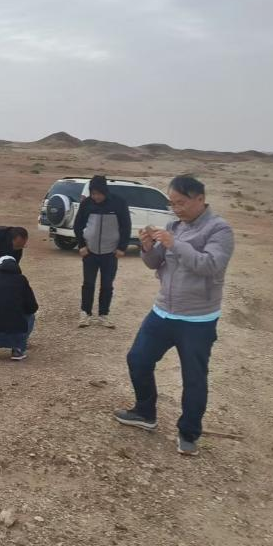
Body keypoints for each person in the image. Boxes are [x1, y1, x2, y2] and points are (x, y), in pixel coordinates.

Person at [114, 175, 235, 457]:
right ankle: (145, 413)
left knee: (194, 377)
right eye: (172, 203)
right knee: (138, 359)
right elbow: (154, 263)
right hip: (163, 312)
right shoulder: (173, 226)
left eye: (181, 203)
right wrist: (147, 247)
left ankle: (188, 433)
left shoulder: (220, 230)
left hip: (197, 319)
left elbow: (210, 265)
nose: (176, 209)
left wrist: (175, 244)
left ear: (200, 199)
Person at [73, 175, 131, 328]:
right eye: (93, 194)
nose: (96, 197)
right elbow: (78, 225)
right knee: (88, 284)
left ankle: (104, 314)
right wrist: (81, 246)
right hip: (90, 252)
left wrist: (122, 248)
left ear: (105, 191)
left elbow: (126, 226)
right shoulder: (87, 203)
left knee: (107, 285)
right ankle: (85, 313)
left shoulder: (118, 203)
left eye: (99, 194)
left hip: (110, 253)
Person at [0, 255, 38, 361]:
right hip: (15, 334)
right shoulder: (21, 279)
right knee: (30, 315)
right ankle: (17, 348)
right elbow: (32, 307)